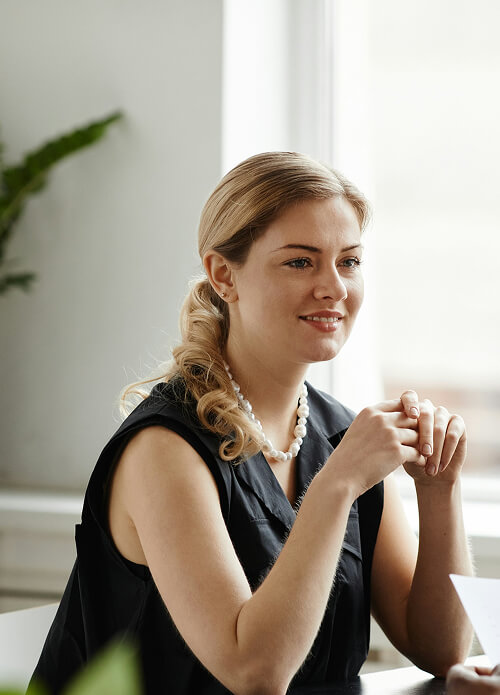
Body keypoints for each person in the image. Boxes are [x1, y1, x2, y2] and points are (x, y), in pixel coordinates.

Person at [30, 152, 473, 695]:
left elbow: (442, 648)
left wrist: (439, 488)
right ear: (224, 275)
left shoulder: (340, 431)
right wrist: (336, 485)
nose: (333, 287)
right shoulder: (163, 449)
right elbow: (254, 673)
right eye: (300, 262)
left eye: (349, 261)